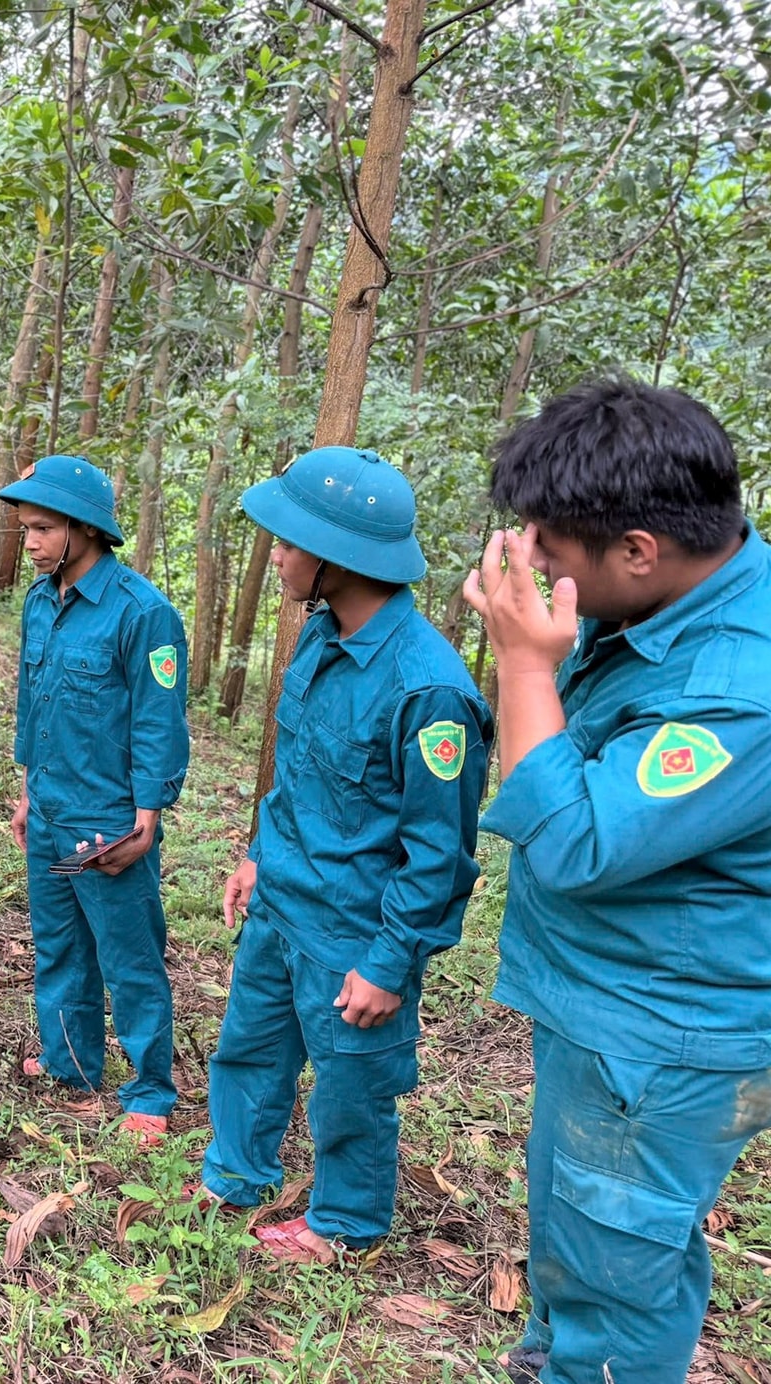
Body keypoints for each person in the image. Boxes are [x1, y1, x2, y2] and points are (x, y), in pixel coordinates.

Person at [461, 379, 771, 1384]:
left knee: (616, 1267)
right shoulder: (669, 598)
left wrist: (524, 666)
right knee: (581, 1238)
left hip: (662, 1038)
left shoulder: (738, 684)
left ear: (639, 549)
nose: (531, 561)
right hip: (611, 1007)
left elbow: (576, 843)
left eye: (552, 546)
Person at [202, 446, 492, 1264]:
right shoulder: (321, 636)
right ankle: (234, 1174)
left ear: (342, 557)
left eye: (292, 543)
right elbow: (297, 772)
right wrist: (259, 853)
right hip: (282, 903)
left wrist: (391, 963)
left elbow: (440, 853)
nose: (280, 556)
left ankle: (344, 1225)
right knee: (249, 1049)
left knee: (352, 1091)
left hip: (355, 935)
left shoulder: (428, 691)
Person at [0, 456, 190, 1147]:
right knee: (60, 944)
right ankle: (70, 1060)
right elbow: (32, 702)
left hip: (107, 827)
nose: (31, 543)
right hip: (52, 815)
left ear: (84, 528)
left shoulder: (143, 614)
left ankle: (149, 1090)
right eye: (25, 530)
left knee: (129, 957)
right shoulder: (40, 603)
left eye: (43, 529)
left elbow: (158, 720)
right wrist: (26, 792)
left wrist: (148, 816)